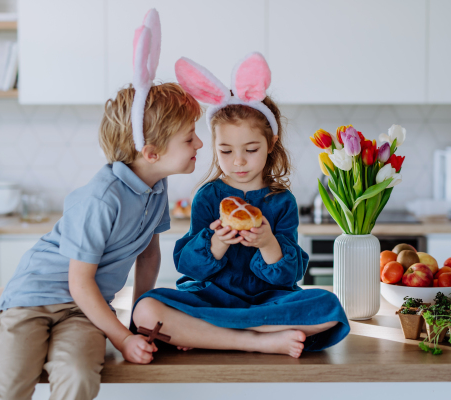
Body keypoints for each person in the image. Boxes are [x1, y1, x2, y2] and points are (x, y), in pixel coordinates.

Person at [0, 10, 204, 399]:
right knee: (13, 378)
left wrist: (138, 318)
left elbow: (149, 256)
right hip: (32, 300)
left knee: (79, 374)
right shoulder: (102, 199)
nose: (199, 144)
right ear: (151, 152)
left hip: (83, 310)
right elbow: (78, 281)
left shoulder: (156, 186)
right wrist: (120, 338)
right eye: (190, 138)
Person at [132, 52, 350, 358]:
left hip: (267, 301)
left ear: (271, 143)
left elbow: (289, 277)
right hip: (211, 299)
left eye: (250, 149)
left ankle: (209, 334)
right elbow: (187, 266)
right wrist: (217, 243)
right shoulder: (208, 197)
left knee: (329, 307)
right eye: (225, 150)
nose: (238, 161)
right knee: (145, 308)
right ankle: (256, 339)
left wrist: (268, 242)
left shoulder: (281, 201)